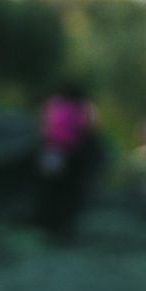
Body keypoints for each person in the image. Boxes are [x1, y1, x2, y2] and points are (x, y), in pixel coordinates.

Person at [34, 84, 99, 240]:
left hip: (51, 151)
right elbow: (89, 128)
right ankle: (62, 225)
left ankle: (45, 223)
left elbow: (43, 126)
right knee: (66, 192)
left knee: (49, 190)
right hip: (70, 155)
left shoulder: (52, 104)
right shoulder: (80, 108)